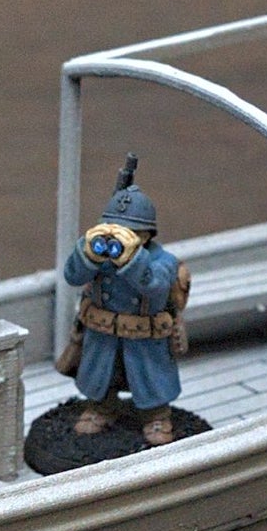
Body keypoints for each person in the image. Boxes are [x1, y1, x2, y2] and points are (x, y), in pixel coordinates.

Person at [59, 155, 184, 446]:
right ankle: (101, 408)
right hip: (102, 334)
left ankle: (156, 416)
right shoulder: (99, 255)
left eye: (130, 231)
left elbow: (154, 286)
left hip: (145, 338)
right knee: (101, 376)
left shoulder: (162, 260)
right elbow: (72, 276)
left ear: (146, 234)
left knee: (151, 380)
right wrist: (87, 253)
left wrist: (131, 257)